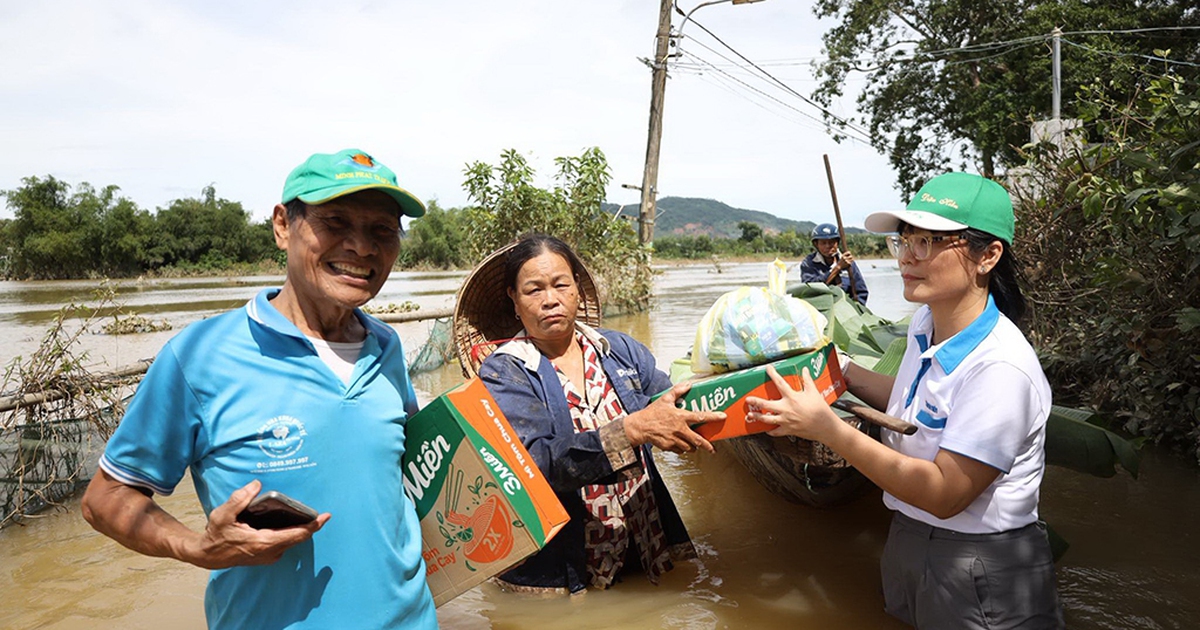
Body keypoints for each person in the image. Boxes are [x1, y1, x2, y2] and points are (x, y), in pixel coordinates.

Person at [80, 149, 438, 629]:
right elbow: (105, 500)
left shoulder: (387, 346)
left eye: (382, 231)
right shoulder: (201, 355)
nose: (362, 247)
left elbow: (407, 481)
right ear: (282, 226)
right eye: (335, 222)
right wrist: (198, 547)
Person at [746, 173, 1063, 629]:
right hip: (909, 535)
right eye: (904, 241)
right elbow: (909, 404)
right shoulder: (924, 323)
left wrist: (827, 428)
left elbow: (943, 493)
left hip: (976, 560)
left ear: (987, 256)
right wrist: (841, 370)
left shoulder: (1001, 369)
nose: (907, 258)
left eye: (929, 242)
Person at [461, 234, 726, 595]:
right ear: (514, 300)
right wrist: (631, 430)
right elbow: (534, 464)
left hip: (642, 543)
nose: (550, 299)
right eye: (534, 290)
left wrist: (735, 398)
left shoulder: (618, 350)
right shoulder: (504, 372)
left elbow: (671, 405)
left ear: (578, 290)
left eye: (560, 285)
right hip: (564, 568)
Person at [799, 222, 869, 305]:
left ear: (837, 243)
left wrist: (856, 307)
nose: (828, 246)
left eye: (832, 242)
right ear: (816, 244)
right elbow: (811, 290)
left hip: (846, 310)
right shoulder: (808, 263)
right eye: (823, 243)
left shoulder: (848, 262)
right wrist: (838, 268)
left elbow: (861, 292)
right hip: (821, 309)